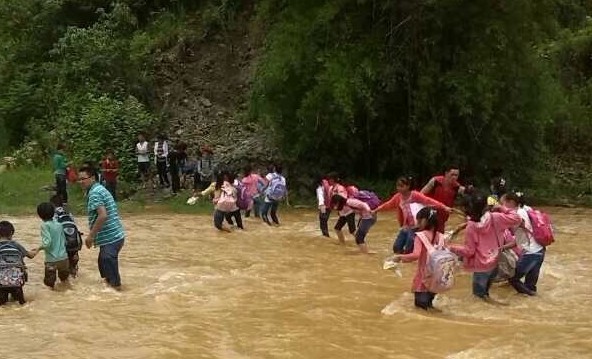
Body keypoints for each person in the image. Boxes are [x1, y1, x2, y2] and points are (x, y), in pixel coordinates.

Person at [448, 192, 521, 302]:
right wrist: (501, 207)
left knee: (478, 299)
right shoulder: (496, 218)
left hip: (480, 267)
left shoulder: (471, 226)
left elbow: (469, 252)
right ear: (486, 207)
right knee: (485, 295)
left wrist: (450, 247)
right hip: (494, 263)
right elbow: (517, 218)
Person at [374, 176, 455, 254]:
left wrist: (444, 207)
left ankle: (410, 261)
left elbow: (429, 201)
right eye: (397, 186)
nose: (399, 188)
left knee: (409, 249)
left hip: (416, 227)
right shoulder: (398, 197)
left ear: (408, 186)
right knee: (396, 248)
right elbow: (388, 205)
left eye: (401, 186)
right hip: (405, 227)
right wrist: (376, 210)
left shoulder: (415, 195)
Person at [78, 166, 125, 290]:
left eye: (84, 179)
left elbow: (103, 215)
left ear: (92, 178)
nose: (81, 182)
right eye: (80, 179)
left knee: (113, 281)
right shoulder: (98, 189)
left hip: (111, 238)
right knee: (104, 270)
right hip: (114, 236)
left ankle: (118, 295)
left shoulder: (95, 193)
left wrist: (91, 236)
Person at [391, 207, 446, 310]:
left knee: (420, 309)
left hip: (423, 279)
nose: (417, 223)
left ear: (424, 220)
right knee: (429, 307)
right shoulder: (441, 236)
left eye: (419, 220)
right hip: (436, 279)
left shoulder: (420, 236)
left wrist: (399, 257)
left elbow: (415, 255)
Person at [501, 192, 545, 296]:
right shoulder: (523, 211)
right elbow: (519, 240)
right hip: (539, 250)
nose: (502, 206)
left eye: (503, 203)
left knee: (512, 278)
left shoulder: (517, 214)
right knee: (530, 286)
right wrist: (502, 248)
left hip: (531, 253)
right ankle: (533, 302)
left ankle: (535, 298)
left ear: (511, 202)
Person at [420, 165, 469, 232]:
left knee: (439, 235)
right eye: (452, 175)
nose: (454, 177)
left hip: (443, 216)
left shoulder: (457, 187)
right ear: (446, 173)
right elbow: (420, 195)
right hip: (429, 212)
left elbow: (468, 195)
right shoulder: (435, 181)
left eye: (456, 175)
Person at [0, 221, 37, 305]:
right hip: (17, 282)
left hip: (1, 283)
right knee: (21, 305)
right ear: (12, 233)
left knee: (3, 306)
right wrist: (36, 251)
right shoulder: (16, 245)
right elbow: (30, 256)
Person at [35, 202, 69, 289]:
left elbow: (47, 242)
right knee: (65, 281)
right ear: (53, 213)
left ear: (40, 215)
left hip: (51, 260)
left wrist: (38, 248)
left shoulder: (44, 226)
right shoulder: (59, 224)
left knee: (49, 285)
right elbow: (65, 241)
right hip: (64, 259)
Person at [50, 194, 82, 277]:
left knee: (62, 268)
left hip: (63, 244)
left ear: (52, 205)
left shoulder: (54, 214)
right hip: (75, 242)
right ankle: (73, 269)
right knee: (72, 260)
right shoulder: (68, 213)